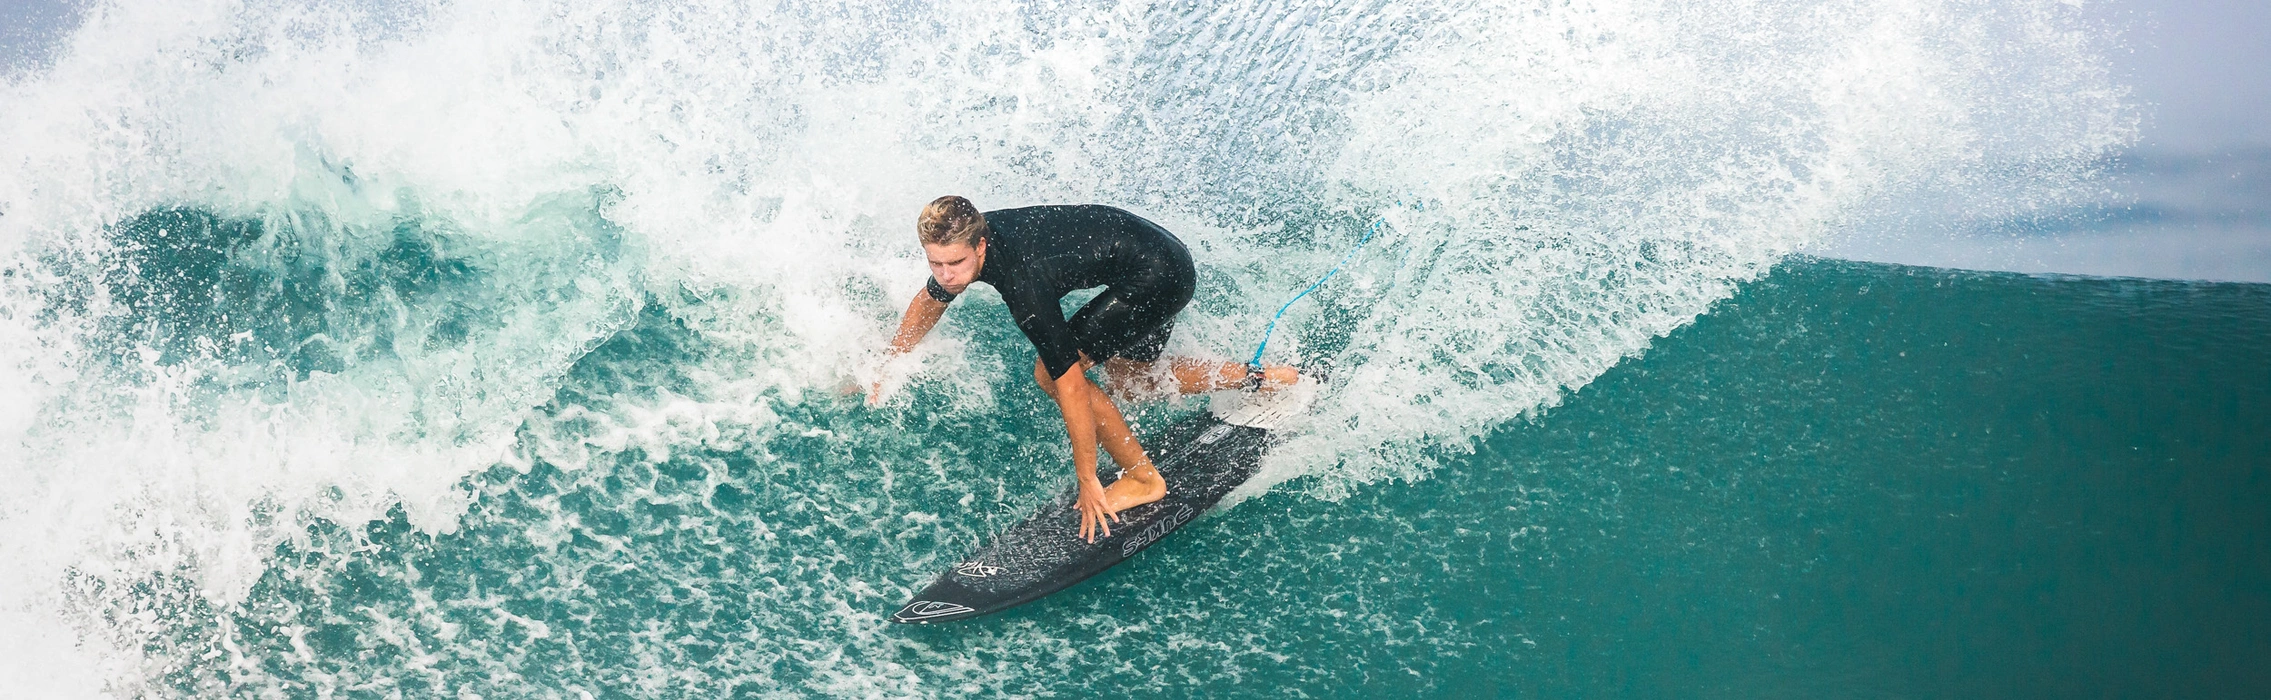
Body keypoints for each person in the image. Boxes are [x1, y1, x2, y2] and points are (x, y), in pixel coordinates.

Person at [873, 196, 1299, 543]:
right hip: (1158, 251)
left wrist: (1088, 477)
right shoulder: (973, 235)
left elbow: (1072, 388)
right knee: (1129, 382)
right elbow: (931, 299)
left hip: (1156, 275)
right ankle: (1266, 379)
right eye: (936, 264)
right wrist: (891, 360)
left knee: (1050, 373)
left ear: (981, 246)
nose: (946, 275)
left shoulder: (1024, 284)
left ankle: (1143, 479)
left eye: (956, 264)